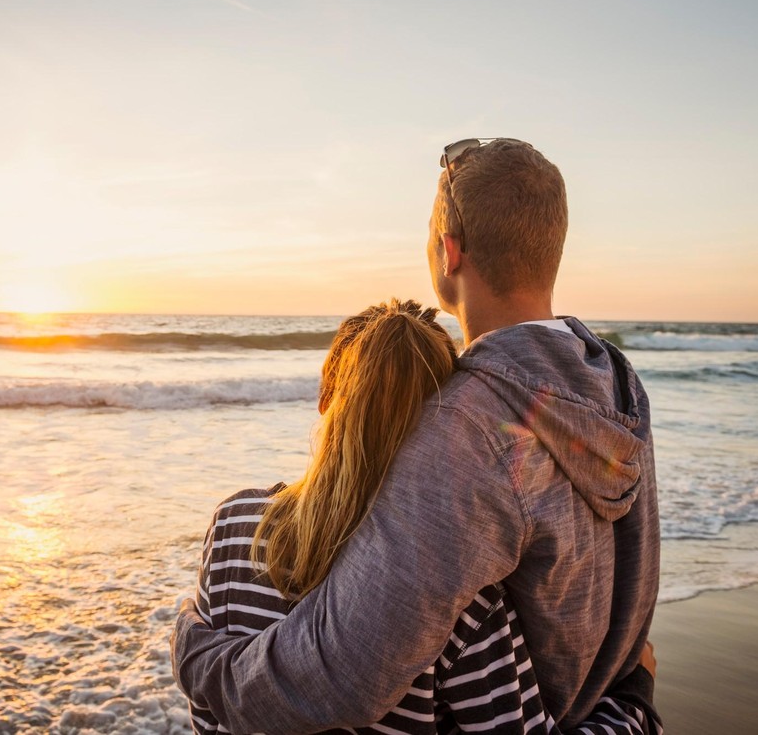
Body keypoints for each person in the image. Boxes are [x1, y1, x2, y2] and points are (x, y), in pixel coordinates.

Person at [172, 139, 660, 732]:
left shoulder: (467, 426)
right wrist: (631, 694)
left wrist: (200, 664)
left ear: (449, 252)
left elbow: (338, 674)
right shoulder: (613, 384)